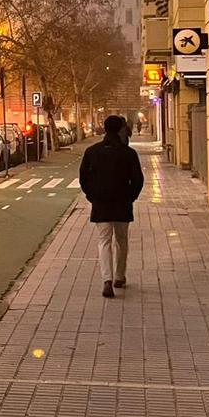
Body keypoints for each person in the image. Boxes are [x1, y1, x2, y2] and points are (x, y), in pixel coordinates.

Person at [79, 115, 144, 298]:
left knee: (104, 241)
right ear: (121, 129)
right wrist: (130, 197)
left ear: (104, 128)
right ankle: (119, 276)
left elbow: (84, 177)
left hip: (101, 203)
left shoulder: (92, 152)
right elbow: (138, 179)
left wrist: (92, 196)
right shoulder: (128, 153)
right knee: (121, 240)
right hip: (122, 202)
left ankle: (106, 280)